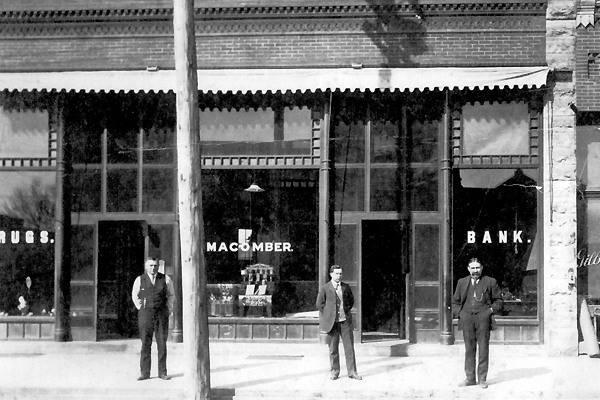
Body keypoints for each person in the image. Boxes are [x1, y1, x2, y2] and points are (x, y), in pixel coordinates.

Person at [452, 258, 502, 389]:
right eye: (472, 268)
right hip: (467, 318)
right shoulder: (462, 282)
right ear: (468, 269)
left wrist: (489, 311)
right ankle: (469, 378)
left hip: (483, 318)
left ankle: (482, 379)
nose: (475, 271)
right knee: (469, 349)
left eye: (477, 268)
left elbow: (498, 301)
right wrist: (461, 313)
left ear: (482, 268)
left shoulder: (490, 282)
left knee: (483, 348)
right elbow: (455, 302)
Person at [131, 257, 175, 381]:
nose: (153, 268)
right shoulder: (140, 280)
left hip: (161, 314)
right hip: (146, 315)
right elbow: (135, 295)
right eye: (150, 265)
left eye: (155, 265)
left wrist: (169, 310)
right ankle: (145, 372)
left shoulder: (165, 279)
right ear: (146, 267)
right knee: (146, 343)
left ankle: (162, 372)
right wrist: (141, 307)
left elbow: (171, 295)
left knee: (162, 343)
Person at [316, 265, 362, 381]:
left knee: (349, 348)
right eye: (336, 273)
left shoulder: (346, 287)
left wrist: (344, 312)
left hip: (345, 322)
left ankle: (352, 372)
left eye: (340, 273)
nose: (339, 276)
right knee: (333, 349)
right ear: (331, 274)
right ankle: (335, 372)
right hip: (332, 323)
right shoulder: (325, 288)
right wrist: (329, 314)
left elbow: (351, 301)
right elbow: (319, 304)